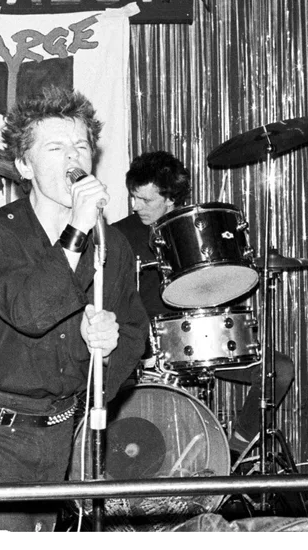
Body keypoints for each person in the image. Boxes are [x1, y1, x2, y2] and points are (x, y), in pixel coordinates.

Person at [0, 87, 149, 532]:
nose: (73, 157)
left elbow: (134, 332)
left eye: (81, 146)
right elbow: (30, 312)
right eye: (55, 148)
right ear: (24, 165)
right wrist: (77, 227)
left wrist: (107, 346)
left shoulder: (113, 245)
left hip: (57, 428)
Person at [112, 150, 295, 458]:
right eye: (133, 197)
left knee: (279, 369)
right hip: (151, 346)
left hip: (205, 338)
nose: (135, 206)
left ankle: (236, 451)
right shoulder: (119, 236)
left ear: (171, 198)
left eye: (145, 200)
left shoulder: (197, 229)